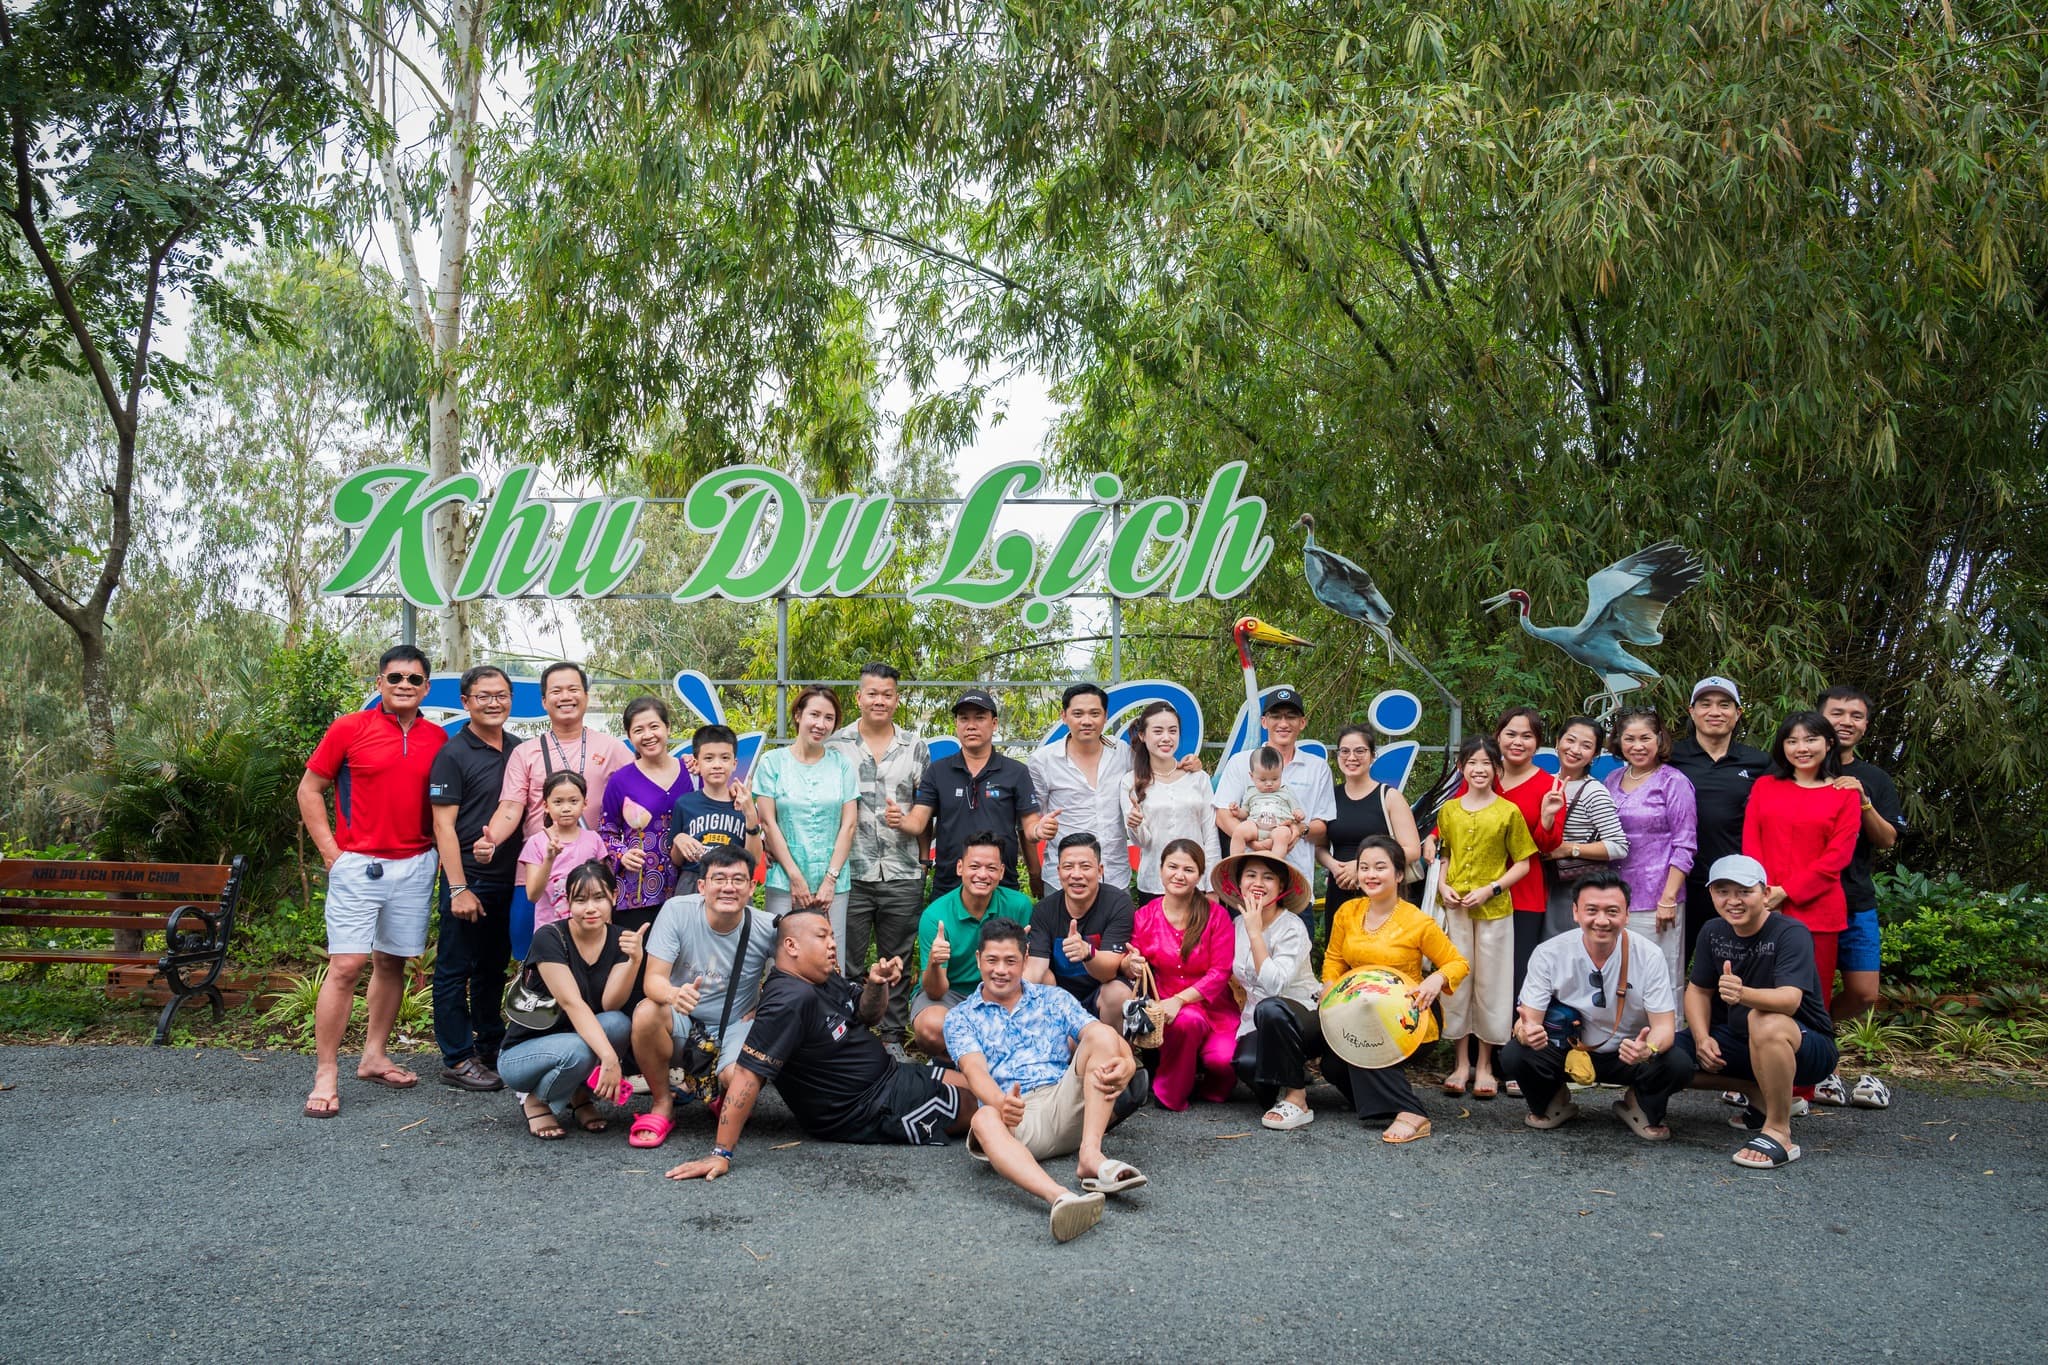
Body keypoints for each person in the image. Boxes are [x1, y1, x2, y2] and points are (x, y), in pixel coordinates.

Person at [662, 908, 973, 1179]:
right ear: (791, 945)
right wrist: (721, 1153)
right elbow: (748, 1075)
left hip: (893, 1077)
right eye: (822, 937)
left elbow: (867, 1015)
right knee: (985, 1109)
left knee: (981, 1083)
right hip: (871, 1108)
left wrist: (877, 984)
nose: (832, 944)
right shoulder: (787, 1001)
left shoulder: (821, 977)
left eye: (832, 936)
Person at [296, 644, 449, 1118]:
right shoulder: (349, 728)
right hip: (358, 866)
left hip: (416, 865)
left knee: (392, 962)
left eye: (414, 679)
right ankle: (326, 1073)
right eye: (395, 677)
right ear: (379, 681)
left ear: (426, 687)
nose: (404, 685)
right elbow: (309, 789)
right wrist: (331, 853)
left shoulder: (437, 739)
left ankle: (374, 1057)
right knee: (346, 966)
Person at [943, 917, 1150, 1244]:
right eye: (992, 960)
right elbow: (974, 1071)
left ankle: (1090, 1156)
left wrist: (1125, 1061)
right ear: (978, 959)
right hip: (1016, 1118)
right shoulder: (960, 1017)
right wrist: (1000, 1103)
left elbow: (1102, 1035)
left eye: (1011, 961)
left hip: (1066, 1102)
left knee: (1100, 1036)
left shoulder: (1053, 999)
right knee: (983, 1118)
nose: (1001, 970)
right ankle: (1060, 1198)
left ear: (1026, 960)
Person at [1499, 869, 1695, 1140]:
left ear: (1627, 915)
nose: (1601, 921)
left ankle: (1639, 1103)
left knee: (1678, 1063)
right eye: (1591, 910)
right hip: (1569, 1051)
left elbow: (1664, 1028)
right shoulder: (1549, 953)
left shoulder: (1649, 955)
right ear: (1575, 912)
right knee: (1515, 1054)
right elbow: (1527, 1021)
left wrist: (1647, 1049)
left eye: (1612, 911)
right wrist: (1526, 1032)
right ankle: (1553, 1098)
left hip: (1628, 1053)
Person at [1687, 855, 1841, 1169]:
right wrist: (1702, 1039)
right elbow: (1698, 990)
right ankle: (1758, 1097)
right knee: (1665, 1055)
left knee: (1764, 1020)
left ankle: (1779, 1131)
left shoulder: (1790, 932)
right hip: (1741, 1040)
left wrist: (1742, 994)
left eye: (1744, 891)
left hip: (1806, 1045)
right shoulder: (1713, 931)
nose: (1733, 901)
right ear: (1711, 894)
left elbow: (1789, 1001)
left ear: (1766, 893)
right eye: (1722, 891)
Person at [624, 846, 778, 1149]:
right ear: (701, 886)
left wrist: (766, 1006)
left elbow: (797, 973)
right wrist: (673, 994)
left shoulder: (766, 926)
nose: (728, 887)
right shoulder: (677, 911)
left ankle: (723, 1095)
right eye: (719, 878)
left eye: (738, 879)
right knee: (646, 1013)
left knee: (740, 1079)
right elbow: (653, 980)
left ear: (752, 887)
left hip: (734, 1025)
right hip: (684, 1020)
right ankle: (662, 1103)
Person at [1319, 836, 1466, 1143]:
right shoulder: (1347, 911)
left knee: (1367, 1045)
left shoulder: (1418, 921)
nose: (1370, 875)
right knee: (1333, 1065)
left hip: (1408, 1016)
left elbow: (1457, 963)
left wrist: (1436, 980)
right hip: (1357, 1011)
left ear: (1399, 874)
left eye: (1380, 867)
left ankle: (1412, 1112)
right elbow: (1334, 958)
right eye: (1364, 868)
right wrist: (1330, 986)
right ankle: (1377, 1102)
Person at [497, 860, 644, 1139]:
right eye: (580, 900)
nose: (590, 908)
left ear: (614, 897)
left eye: (599, 898)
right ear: (568, 902)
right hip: (523, 1054)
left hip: (575, 1042)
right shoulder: (549, 937)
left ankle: (579, 1096)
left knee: (618, 1023)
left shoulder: (620, 938)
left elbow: (611, 1004)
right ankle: (535, 1101)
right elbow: (572, 1004)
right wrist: (610, 1059)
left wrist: (634, 961)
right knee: (579, 1049)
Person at [826, 663, 929, 1048]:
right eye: (872, 693)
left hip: (903, 871)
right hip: (849, 872)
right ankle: (852, 1038)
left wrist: (923, 861)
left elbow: (926, 809)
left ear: (896, 699)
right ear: (859, 697)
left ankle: (891, 1038)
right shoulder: (835, 745)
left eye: (887, 694)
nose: (879, 701)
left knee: (897, 960)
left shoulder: (915, 746)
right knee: (848, 961)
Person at [427, 664, 518, 1092]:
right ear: (466, 702)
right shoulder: (453, 754)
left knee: (493, 968)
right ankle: (457, 1058)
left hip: (509, 878)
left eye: (501, 695)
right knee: (454, 969)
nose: (493, 703)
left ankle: (489, 1045)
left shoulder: (518, 750)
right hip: (468, 879)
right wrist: (458, 887)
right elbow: (442, 826)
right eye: (484, 696)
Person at [1433, 736, 1538, 1100]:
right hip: (1456, 908)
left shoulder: (1508, 812)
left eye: (1486, 763)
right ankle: (1461, 1063)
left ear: (1497, 768)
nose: (1479, 770)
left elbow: (1523, 864)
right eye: (1472, 763)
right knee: (1457, 980)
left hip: (1494, 911)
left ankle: (1486, 1065)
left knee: (1493, 985)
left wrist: (1492, 889)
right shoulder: (1449, 811)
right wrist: (1443, 885)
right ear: (1461, 767)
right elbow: (1445, 855)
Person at [1817, 685, 1904, 1109]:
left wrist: (1864, 803)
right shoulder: (1795, 769)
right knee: (1807, 986)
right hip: (1807, 897)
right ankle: (1816, 1066)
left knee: (1865, 992)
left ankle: (1818, 1034)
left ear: (1866, 725)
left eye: (1855, 715)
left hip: (1855, 897)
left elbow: (1887, 839)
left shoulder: (1876, 778)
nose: (1845, 721)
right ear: (1820, 717)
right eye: (1837, 713)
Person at [1741, 710, 1861, 1017]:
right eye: (1792, 741)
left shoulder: (1845, 794)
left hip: (1818, 909)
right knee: (1759, 994)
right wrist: (1764, 893)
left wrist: (1787, 892)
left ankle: (1815, 1048)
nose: (1801, 748)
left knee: (1811, 997)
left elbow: (1837, 856)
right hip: (1763, 906)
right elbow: (1751, 843)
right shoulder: (1765, 786)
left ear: (1829, 743)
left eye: (1810, 740)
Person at [1123, 839, 1238, 1110]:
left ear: (1199, 875)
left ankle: (1205, 1084)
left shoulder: (1216, 915)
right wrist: (1131, 964)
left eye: (1188, 869)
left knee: (1222, 1062)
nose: (1179, 875)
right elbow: (1132, 962)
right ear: (1161, 869)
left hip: (1215, 1007)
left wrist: (1181, 999)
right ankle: (1170, 1093)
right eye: (1172, 867)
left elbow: (1221, 971)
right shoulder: (1145, 916)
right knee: (1187, 1021)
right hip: (1167, 1007)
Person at [899, 689, 1043, 899]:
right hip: (949, 886)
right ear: (956, 724)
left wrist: (1035, 867)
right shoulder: (938, 771)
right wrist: (902, 821)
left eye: (980, 718)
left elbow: (1028, 827)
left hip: (1001, 886)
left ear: (994, 723)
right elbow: (919, 820)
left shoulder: (1016, 772)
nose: (971, 725)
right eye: (964, 718)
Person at [1215, 851, 1321, 1130]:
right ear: (1240, 883)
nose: (1258, 883)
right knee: (1247, 1065)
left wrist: (1255, 933)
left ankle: (1297, 1097)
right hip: (1256, 1019)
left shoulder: (1292, 927)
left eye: (1268, 877)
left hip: (1301, 1016)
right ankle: (1286, 1077)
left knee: (1271, 1007)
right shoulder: (1238, 924)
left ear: (1281, 885)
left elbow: (1275, 986)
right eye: (1251, 875)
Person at [1669, 676, 1770, 969]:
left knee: (1735, 970)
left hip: (1734, 885)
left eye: (1724, 705)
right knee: (1670, 969)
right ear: (1691, 712)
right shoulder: (1669, 757)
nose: (1715, 712)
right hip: (1679, 882)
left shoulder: (1760, 762)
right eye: (1706, 704)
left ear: (1738, 713)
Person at [1212, 687, 1335, 925]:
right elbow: (1223, 816)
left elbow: (1323, 826)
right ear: (1264, 721)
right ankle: (1235, 875)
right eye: (1276, 716)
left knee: (1297, 948)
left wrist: (1299, 830)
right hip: (1247, 887)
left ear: (1302, 722)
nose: (1283, 723)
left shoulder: (1317, 768)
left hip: (1296, 886)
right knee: (1243, 948)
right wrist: (1254, 842)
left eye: (1291, 716)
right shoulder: (1240, 762)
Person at [754, 686, 859, 962]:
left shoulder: (842, 765)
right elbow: (768, 822)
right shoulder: (772, 762)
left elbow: (848, 825)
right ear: (798, 715)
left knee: (830, 957)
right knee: (782, 957)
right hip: (783, 879)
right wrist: (796, 878)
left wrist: (830, 880)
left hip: (833, 883)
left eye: (829, 718)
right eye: (814, 714)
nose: (820, 724)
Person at [479, 660, 634, 847]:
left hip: (594, 860)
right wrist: (492, 840)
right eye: (556, 691)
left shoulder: (612, 748)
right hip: (540, 859)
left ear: (586, 696)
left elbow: (642, 789)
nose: (566, 697)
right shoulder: (524, 753)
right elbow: (510, 808)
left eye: (573, 689)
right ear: (544, 702)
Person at [909, 834, 1035, 1060]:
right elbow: (935, 991)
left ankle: (998, 1061)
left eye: (991, 868)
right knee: (931, 1027)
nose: (982, 875)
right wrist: (935, 963)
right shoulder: (935, 915)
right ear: (960, 868)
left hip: (1000, 988)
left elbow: (1029, 969)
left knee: (1045, 981)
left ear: (1002, 872)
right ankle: (961, 1066)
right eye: (974, 866)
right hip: (951, 993)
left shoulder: (1019, 906)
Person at [1602, 706, 1696, 987]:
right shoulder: (1612, 779)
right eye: (1629, 739)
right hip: (1614, 897)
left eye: (1645, 738)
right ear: (1619, 741)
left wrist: (1668, 898)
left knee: (1657, 978)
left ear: (1659, 739)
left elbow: (1685, 844)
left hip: (1656, 898)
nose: (1638, 746)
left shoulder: (1673, 781)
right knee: (1617, 977)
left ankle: (1665, 1021)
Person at [599, 695, 696, 935]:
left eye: (654, 726)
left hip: (689, 887)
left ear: (668, 727)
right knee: (636, 955)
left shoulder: (693, 773)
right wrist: (622, 854)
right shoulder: (620, 780)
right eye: (638, 730)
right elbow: (605, 832)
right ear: (629, 736)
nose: (648, 735)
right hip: (638, 890)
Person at [1317, 724, 1422, 943]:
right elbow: (1319, 847)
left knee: (1381, 956)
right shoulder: (1329, 797)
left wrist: (1362, 867)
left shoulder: (1389, 796)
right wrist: (1334, 867)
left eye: (1360, 751)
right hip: (1340, 889)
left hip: (1380, 893)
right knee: (1339, 956)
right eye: (1344, 751)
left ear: (1373, 755)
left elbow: (1412, 850)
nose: (1351, 757)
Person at [1028, 683, 1134, 894]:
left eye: (1094, 713)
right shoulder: (1043, 761)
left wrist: (1185, 766)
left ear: (1105, 716)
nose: (1086, 721)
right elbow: (1030, 820)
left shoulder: (1123, 753)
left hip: (1115, 876)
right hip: (1062, 880)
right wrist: (1039, 829)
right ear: (1064, 716)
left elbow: (1156, 772)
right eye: (1078, 714)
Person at [1026, 833, 1137, 1025]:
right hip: (1060, 1000)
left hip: (1101, 995)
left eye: (1085, 866)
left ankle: (1112, 1042)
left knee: (1118, 992)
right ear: (1059, 871)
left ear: (1100, 870)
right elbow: (1036, 969)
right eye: (1068, 867)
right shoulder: (1044, 910)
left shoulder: (1117, 904)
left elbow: (1109, 972)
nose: (1076, 874)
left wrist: (1088, 953)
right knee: (1042, 979)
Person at [1120, 701, 1222, 896]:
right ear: (1142, 735)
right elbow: (1143, 842)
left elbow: (1210, 835)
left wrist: (1211, 887)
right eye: (1158, 731)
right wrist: (1135, 825)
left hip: (1196, 885)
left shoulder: (1198, 778)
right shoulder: (1130, 782)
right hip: (1154, 886)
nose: (1166, 738)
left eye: (1173, 731)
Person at [1540, 715, 1629, 939]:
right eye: (1570, 740)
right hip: (1541, 882)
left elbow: (1619, 846)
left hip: (1571, 887)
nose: (1575, 750)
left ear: (1595, 754)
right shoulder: (1544, 782)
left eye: (1586, 746)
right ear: (1558, 741)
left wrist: (1568, 849)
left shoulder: (1594, 792)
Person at [668, 724, 763, 896]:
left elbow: (754, 860)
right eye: (709, 758)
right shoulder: (684, 803)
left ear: (734, 763)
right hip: (692, 882)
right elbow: (676, 860)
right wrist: (678, 839)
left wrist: (750, 814)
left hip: (732, 884)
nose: (717, 765)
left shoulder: (743, 804)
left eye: (725, 758)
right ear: (697, 763)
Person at [518, 771, 607, 932]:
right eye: (558, 802)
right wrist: (549, 859)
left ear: (585, 803)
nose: (566, 808)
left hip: (589, 931)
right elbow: (533, 895)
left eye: (573, 801)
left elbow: (603, 890)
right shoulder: (536, 842)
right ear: (546, 806)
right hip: (551, 932)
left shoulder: (594, 839)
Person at [1226, 745, 1307, 860]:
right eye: (1263, 780)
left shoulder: (1286, 792)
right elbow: (1245, 812)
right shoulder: (1251, 792)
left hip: (1278, 826)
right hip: (1255, 826)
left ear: (1281, 773)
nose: (1269, 784)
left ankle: (1274, 862)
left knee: (1284, 834)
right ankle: (1235, 861)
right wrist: (1237, 811)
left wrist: (1299, 814)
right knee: (1239, 830)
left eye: (1275, 779)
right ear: (1252, 776)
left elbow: (1296, 809)